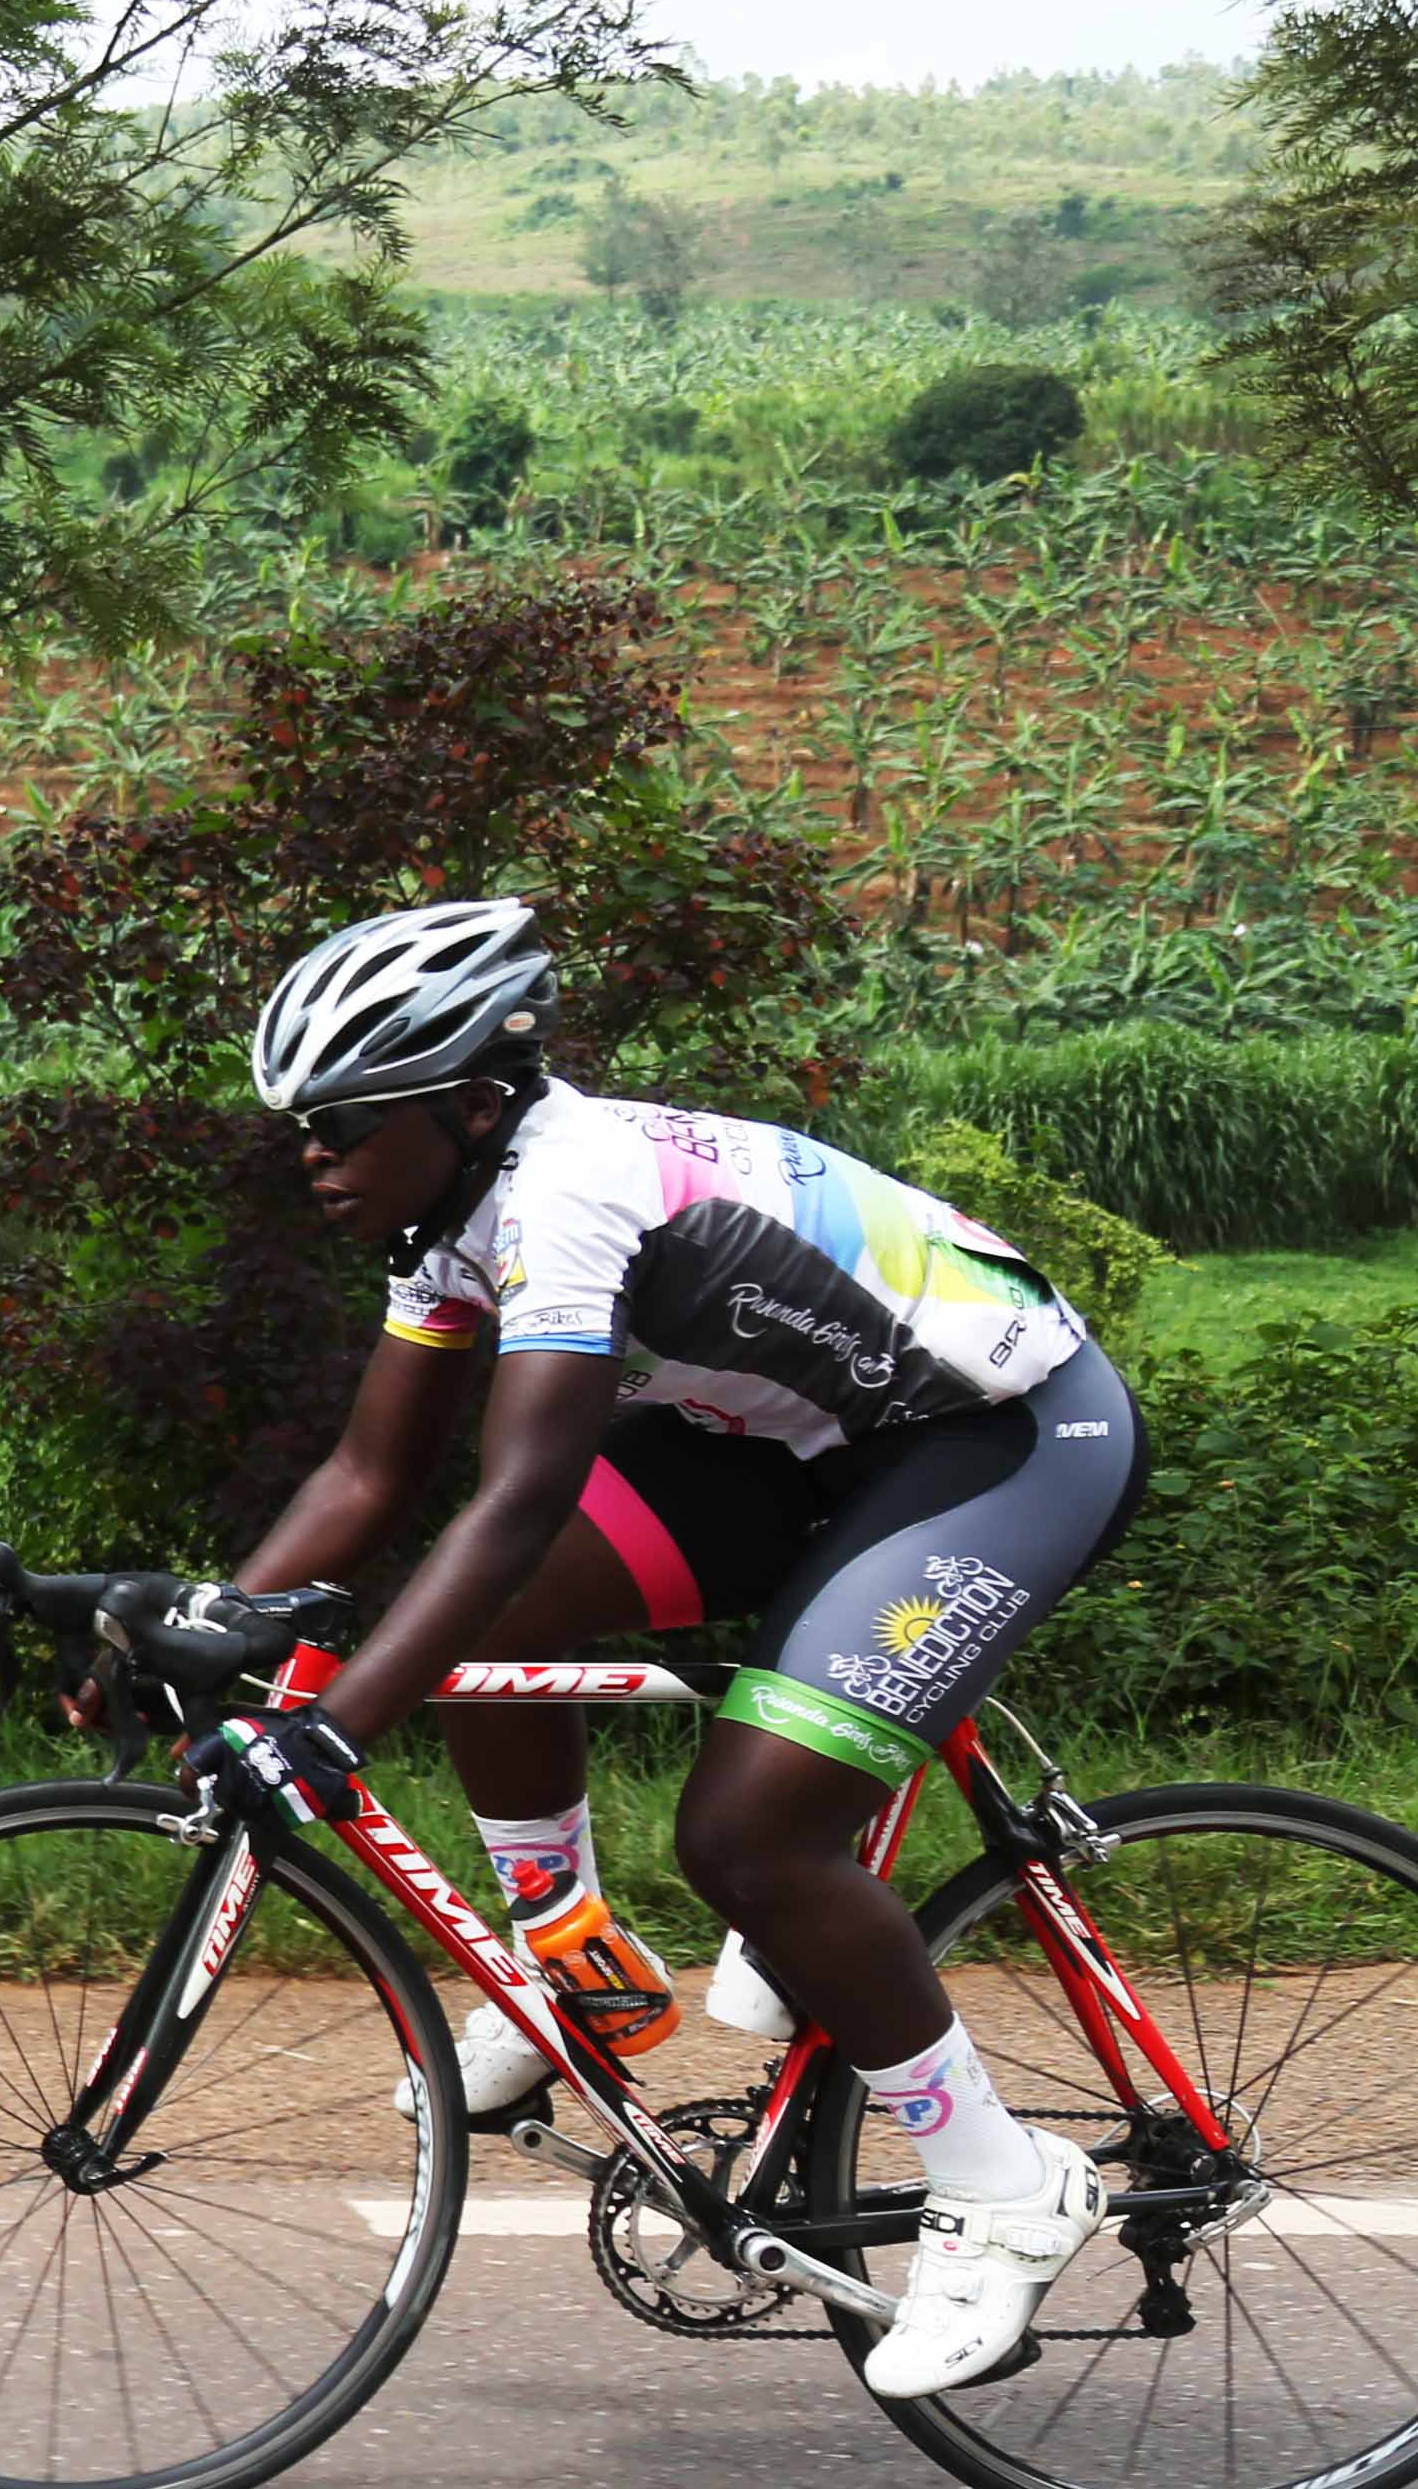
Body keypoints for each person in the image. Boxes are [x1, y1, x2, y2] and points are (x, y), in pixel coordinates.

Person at [182, 896, 1142, 2400]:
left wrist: (332, 1729)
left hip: (998, 1438)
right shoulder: (453, 1220)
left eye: (345, 1123)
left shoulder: (570, 1186)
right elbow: (368, 1476)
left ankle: (1005, 2188)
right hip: (802, 1442)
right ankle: (575, 1964)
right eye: (304, 1128)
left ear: (471, 1105)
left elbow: (519, 1499)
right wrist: (203, 1626)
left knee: (752, 1837)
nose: (315, 1155)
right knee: (494, 1626)